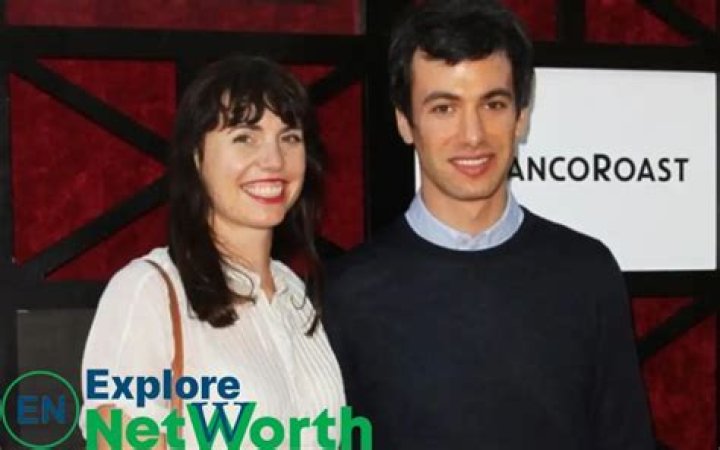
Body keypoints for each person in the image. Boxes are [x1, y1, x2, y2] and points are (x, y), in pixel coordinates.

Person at [323, 1, 655, 448]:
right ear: (405, 122)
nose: (473, 135)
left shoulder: (586, 272)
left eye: (493, 104)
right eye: (444, 108)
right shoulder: (346, 293)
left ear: (521, 116)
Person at [80, 55, 345, 449]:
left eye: (290, 137)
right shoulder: (147, 291)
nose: (274, 160)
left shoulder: (293, 293)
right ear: (196, 156)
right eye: (245, 137)